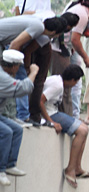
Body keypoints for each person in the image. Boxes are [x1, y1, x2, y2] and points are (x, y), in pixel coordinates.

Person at [39, 64, 88, 188]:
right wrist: (50, 122)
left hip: (53, 112)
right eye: (76, 81)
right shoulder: (57, 85)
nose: (75, 84)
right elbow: (40, 100)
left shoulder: (58, 80)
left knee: (85, 128)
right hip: (49, 114)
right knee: (82, 131)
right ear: (72, 80)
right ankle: (70, 169)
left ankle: (77, 167)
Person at [0, 50, 38, 186]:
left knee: (17, 129)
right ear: (14, 66)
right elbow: (23, 88)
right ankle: (1, 170)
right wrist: (33, 73)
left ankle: (10, 164)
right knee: (6, 132)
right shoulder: (3, 77)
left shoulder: (4, 75)